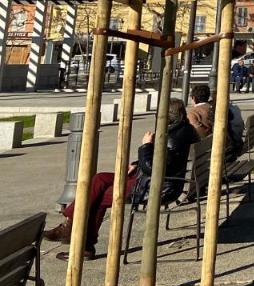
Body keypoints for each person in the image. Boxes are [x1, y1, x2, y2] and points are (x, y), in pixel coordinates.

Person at [46, 98, 198, 260]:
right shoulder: (182, 131)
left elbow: (153, 168)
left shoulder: (173, 138)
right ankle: (71, 223)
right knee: (100, 179)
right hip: (157, 181)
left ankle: (80, 242)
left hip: (154, 188)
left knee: (97, 197)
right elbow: (163, 160)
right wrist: (137, 164)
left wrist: (146, 145)